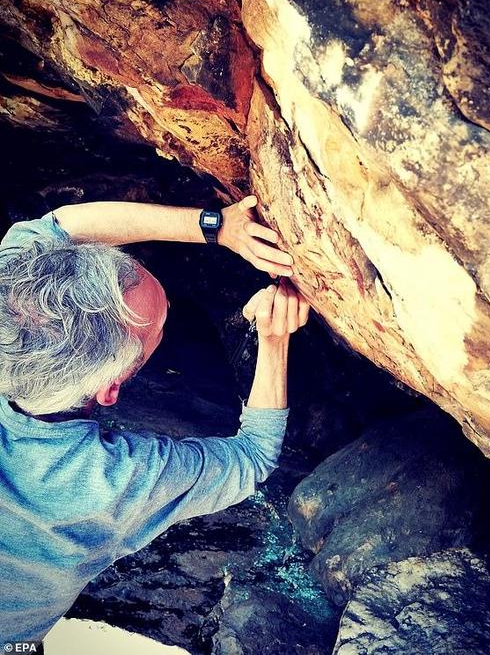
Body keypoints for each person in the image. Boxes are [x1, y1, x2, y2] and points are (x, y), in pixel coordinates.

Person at [0, 197, 309, 646]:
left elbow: (56, 227)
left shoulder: (10, 295)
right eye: (158, 329)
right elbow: (253, 457)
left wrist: (218, 227)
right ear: (112, 388)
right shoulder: (112, 483)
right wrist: (275, 338)